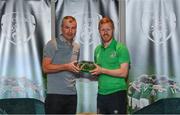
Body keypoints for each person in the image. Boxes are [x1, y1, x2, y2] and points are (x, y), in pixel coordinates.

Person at [90, 16, 130, 114]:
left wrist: (102, 70)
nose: (105, 32)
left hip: (117, 94)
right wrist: (94, 72)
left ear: (113, 30)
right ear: (99, 31)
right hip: (101, 95)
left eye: (108, 29)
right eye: (102, 29)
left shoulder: (120, 48)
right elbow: (99, 71)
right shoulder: (97, 50)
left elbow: (124, 73)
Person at [42, 16, 80, 114]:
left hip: (72, 95)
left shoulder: (77, 46)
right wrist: (66, 66)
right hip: (55, 96)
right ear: (61, 28)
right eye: (67, 27)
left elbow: (72, 69)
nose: (70, 31)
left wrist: (79, 68)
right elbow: (45, 68)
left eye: (73, 28)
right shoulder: (52, 44)